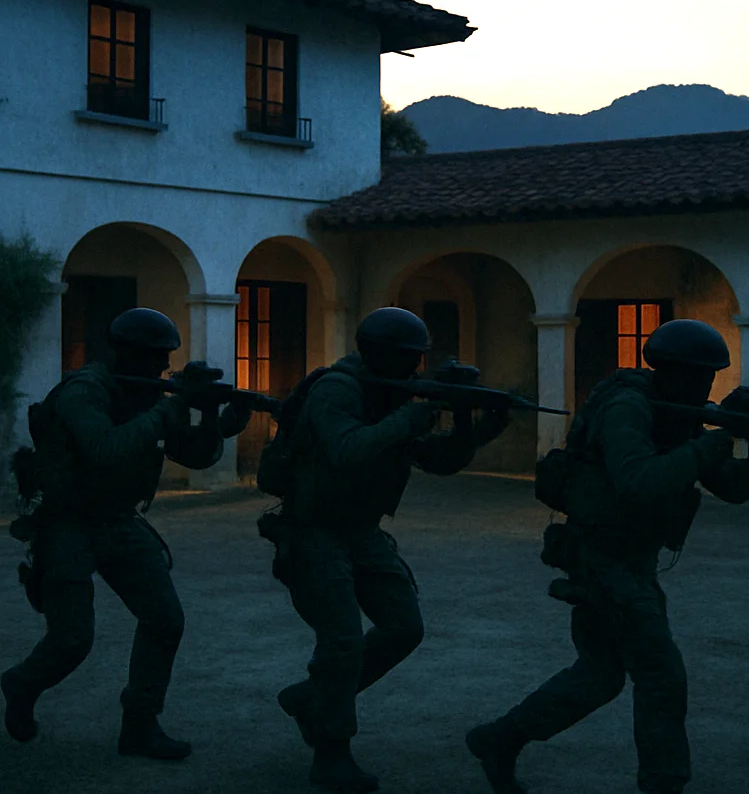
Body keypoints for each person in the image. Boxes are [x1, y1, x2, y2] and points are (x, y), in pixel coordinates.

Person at [466, 319, 749, 794]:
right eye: (698, 376)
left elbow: (732, 488)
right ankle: (663, 781)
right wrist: (717, 437)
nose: (705, 387)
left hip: (629, 562)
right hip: (602, 558)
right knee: (661, 675)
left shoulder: (676, 413)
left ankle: (501, 738)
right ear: (669, 371)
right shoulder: (628, 407)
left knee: (600, 675)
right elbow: (638, 482)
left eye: (710, 377)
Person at [273, 306, 509, 793]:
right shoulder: (337, 389)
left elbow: (437, 462)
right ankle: (331, 752)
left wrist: (476, 426)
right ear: (377, 354)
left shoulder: (392, 393)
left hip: (362, 530)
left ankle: (313, 698)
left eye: (416, 362)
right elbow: (344, 449)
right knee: (341, 641)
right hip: (313, 529)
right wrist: (410, 417)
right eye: (406, 361)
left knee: (404, 626)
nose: (414, 370)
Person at [2, 307, 245, 759]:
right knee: (72, 637)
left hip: (118, 521)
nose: (160, 368)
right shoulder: (84, 391)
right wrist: (173, 405)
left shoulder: (146, 393)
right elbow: (104, 449)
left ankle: (140, 723)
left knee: (164, 619)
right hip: (68, 523)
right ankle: (22, 683)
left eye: (164, 359)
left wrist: (216, 419)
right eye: (153, 358)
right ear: (127, 354)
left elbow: (193, 456)